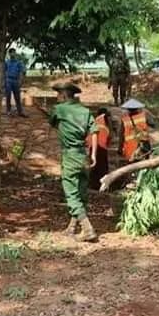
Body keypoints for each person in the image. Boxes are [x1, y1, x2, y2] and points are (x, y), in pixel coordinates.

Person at [49, 82, 99, 242]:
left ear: (64, 95)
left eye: (58, 94)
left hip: (70, 156)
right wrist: (94, 155)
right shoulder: (85, 111)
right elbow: (95, 132)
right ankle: (71, 227)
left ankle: (87, 229)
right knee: (81, 193)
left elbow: (52, 123)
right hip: (83, 155)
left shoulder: (59, 109)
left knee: (71, 193)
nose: (57, 97)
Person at [119, 98, 154, 162]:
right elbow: (153, 127)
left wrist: (120, 149)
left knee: (132, 169)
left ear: (128, 109)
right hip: (143, 148)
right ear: (137, 108)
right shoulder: (144, 115)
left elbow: (121, 135)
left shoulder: (124, 120)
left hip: (129, 149)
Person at [87, 107, 113, 191]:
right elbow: (110, 137)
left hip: (92, 148)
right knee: (102, 169)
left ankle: (92, 185)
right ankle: (102, 186)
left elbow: (87, 138)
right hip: (102, 148)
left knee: (94, 168)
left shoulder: (94, 121)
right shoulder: (105, 122)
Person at [4, 48, 26, 117]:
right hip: (8, 80)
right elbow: (4, 71)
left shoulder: (19, 62)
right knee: (8, 96)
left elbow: (22, 72)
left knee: (17, 97)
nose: (12, 54)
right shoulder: (7, 62)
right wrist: (3, 82)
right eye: (11, 53)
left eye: (14, 52)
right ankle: (8, 111)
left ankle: (20, 111)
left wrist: (20, 81)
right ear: (9, 54)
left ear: (15, 53)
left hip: (16, 80)